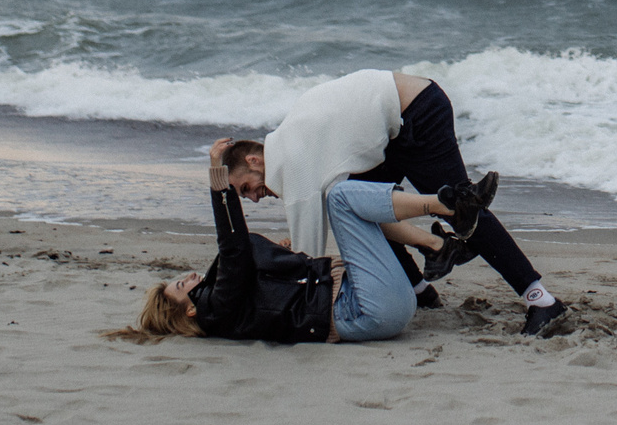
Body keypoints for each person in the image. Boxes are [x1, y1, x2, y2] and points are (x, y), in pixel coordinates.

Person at [223, 68, 570, 336]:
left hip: (417, 113)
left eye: (246, 188)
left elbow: (307, 247)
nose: (254, 198)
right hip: (392, 130)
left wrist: (296, 284)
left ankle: (541, 300)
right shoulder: (291, 140)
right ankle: (420, 289)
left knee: (465, 213)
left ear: (254, 161)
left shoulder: (289, 159)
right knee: (361, 204)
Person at [110, 138, 483, 343]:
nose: (191, 276)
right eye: (182, 285)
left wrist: (283, 252)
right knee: (339, 197)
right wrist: (217, 180)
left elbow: (262, 275)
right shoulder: (214, 308)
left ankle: (438, 246)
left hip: (374, 303)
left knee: (343, 199)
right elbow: (234, 248)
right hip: (367, 310)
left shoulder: (225, 306)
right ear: (189, 310)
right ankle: (446, 206)